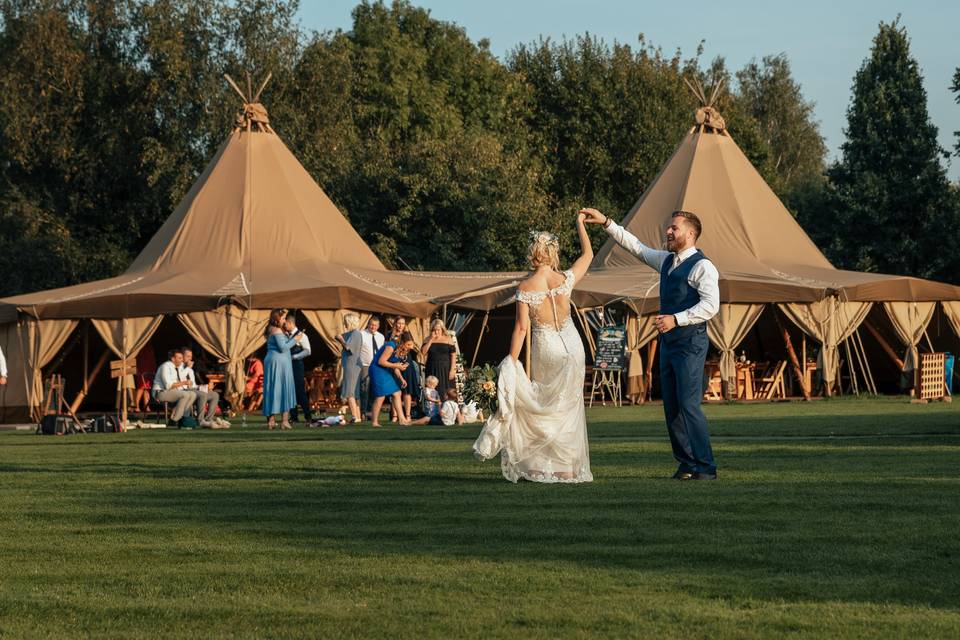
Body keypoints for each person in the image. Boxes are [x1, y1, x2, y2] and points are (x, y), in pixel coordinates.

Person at [582, 207, 720, 480]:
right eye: (670, 227)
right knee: (671, 406)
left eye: (675, 228)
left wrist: (676, 319)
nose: (668, 231)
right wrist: (607, 223)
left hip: (690, 343)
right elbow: (636, 247)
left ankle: (706, 468)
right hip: (669, 343)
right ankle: (687, 464)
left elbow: (711, 305)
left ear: (691, 234)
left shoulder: (703, 266)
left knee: (689, 405)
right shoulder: (667, 261)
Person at [473, 214, 594, 483]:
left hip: (548, 346)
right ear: (553, 254)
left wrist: (510, 363)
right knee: (568, 407)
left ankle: (541, 466)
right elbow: (588, 255)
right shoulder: (565, 279)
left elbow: (521, 328)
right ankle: (568, 468)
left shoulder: (526, 286)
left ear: (533, 254)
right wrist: (580, 224)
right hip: (574, 347)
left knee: (543, 404)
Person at [262, 308, 303, 430]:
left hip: (278, 361)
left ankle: (273, 420)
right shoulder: (276, 330)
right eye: (283, 318)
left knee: (275, 388)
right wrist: (295, 339)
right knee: (280, 388)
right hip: (278, 363)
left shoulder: (274, 330)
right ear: (277, 318)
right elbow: (283, 348)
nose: (285, 320)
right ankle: (283, 420)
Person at [368, 331, 414, 427]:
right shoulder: (391, 346)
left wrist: (401, 378)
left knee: (397, 393)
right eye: (409, 344)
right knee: (381, 396)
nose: (411, 347)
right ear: (402, 342)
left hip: (386, 369)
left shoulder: (401, 349)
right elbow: (381, 361)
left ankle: (402, 419)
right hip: (377, 369)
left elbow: (395, 366)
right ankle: (374, 422)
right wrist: (395, 365)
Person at [180, 347, 228, 429]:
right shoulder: (179, 368)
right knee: (202, 395)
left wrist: (203, 387)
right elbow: (180, 379)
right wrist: (188, 368)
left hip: (193, 390)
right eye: (188, 356)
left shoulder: (190, 370)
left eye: (191, 356)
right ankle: (200, 420)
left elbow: (193, 385)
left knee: (214, 395)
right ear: (182, 356)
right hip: (183, 391)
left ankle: (208, 420)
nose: (190, 359)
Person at [152, 348, 198, 427]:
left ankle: (183, 418)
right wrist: (184, 382)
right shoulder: (165, 367)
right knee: (185, 395)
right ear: (173, 359)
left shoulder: (176, 368)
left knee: (192, 394)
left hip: (170, 392)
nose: (182, 360)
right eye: (179, 358)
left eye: (182, 358)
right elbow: (168, 385)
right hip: (160, 393)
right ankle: (174, 420)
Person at [388, 316, 421, 422]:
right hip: (394, 363)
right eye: (398, 323)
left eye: (402, 323)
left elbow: (411, 347)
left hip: (407, 363)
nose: (400, 325)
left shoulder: (407, 334)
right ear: (395, 324)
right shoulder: (389, 335)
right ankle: (395, 415)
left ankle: (407, 415)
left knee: (407, 391)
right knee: (395, 391)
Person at [283, 311, 313, 424]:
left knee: (300, 392)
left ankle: (308, 415)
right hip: (288, 366)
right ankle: (294, 416)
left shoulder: (302, 335)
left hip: (297, 366)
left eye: (285, 323)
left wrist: (295, 356)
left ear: (290, 323)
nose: (284, 326)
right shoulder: (286, 335)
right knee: (289, 391)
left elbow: (308, 351)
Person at [422, 319, 457, 401]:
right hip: (432, 367)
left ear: (442, 329)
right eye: (434, 330)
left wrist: (452, 370)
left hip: (445, 368)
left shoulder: (448, 339)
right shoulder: (427, 339)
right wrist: (431, 340)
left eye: (438, 330)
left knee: (446, 389)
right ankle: (432, 408)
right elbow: (423, 352)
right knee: (432, 389)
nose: (436, 332)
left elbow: (453, 355)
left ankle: (447, 408)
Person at [338, 313, 364, 423]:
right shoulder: (353, 334)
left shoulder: (356, 334)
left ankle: (355, 416)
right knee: (354, 392)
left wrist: (340, 339)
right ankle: (357, 416)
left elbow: (349, 348)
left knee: (350, 392)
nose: (344, 324)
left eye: (345, 321)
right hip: (352, 365)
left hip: (352, 365)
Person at [356, 316, 384, 415]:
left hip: (377, 366)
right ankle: (363, 411)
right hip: (365, 365)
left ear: (378, 326)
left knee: (375, 388)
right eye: (371, 325)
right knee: (364, 388)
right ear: (368, 324)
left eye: (375, 325)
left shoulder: (381, 337)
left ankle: (372, 411)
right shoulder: (361, 334)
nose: (373, 327)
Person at [133, 344, 156, 413]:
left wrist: (153, 370)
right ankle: (136, 406)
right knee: (141, 387)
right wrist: (137, 370)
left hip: (148, 370)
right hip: (141, 370)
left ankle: (146, 406)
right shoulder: (139, 347)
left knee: (147, 389)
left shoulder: (150, 348)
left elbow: (152, 360)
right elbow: (136, 359)